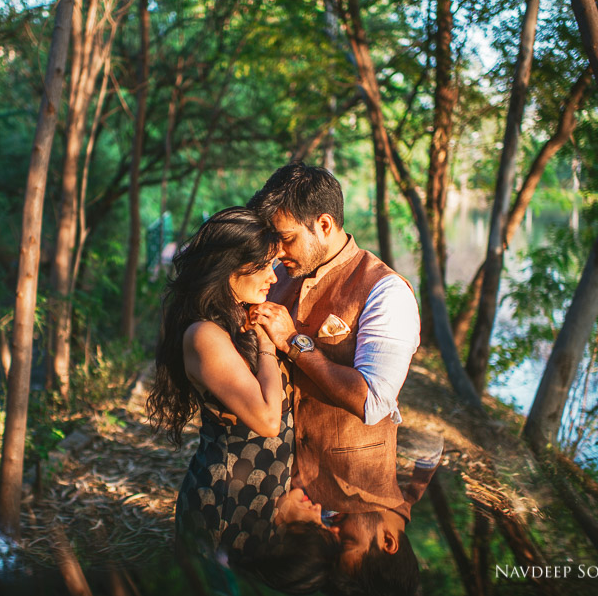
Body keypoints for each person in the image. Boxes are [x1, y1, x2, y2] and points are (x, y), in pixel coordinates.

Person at [247, 161, 422, 594]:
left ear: (323, 224)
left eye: (286, 238)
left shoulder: (386, 291)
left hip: (355, 489)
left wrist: (293, 342)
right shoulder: (280, 275)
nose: (278, 251)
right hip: (283, 488)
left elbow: (373, 401)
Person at [146, 206, 337, 593]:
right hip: (225, 505)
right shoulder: (204, 335)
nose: (274, 275)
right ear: (230, 269)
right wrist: (269, 342)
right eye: (264, 265)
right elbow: (267, 419)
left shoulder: (241, 318)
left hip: (262, 498)